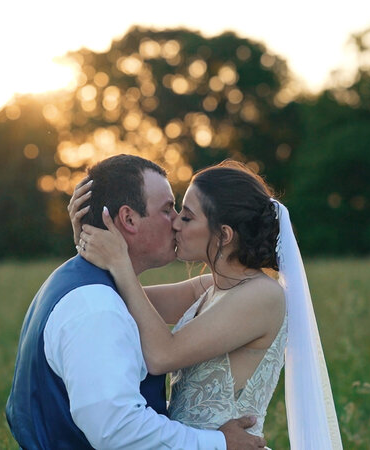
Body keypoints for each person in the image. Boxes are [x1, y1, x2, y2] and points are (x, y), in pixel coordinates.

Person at [71, 160, 343, 449]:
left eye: (187, 217)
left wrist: (120, 263)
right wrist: (89, 237)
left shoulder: (263, 296)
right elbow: (116, 300)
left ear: (224, 235)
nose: (175, 222)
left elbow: (163, 355)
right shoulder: (209, 288)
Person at [5, 154, 266, 449]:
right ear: (129, 219)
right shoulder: (97, 307)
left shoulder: (83, 285)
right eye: (168, 209)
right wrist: (217, 443)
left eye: (184, 214)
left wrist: (91, 246)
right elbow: (118, 429)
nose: (176, 222)